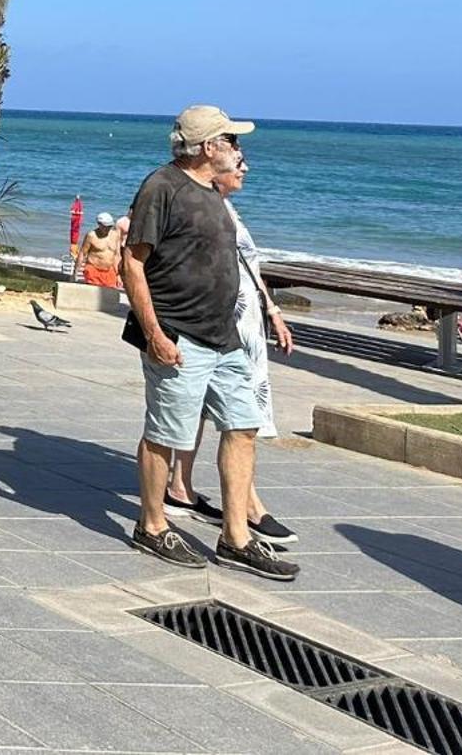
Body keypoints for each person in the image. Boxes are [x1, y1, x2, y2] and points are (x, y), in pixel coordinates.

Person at [123, 105, 294, 581]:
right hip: (178, 336)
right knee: (166, 433)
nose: (239, 149)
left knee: (242, 428)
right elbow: (132, 264)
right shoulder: (162, 188)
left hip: (226, 339)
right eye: (232, 140)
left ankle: (236, 537)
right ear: (208, 147)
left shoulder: (215, 192)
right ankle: (153, 526)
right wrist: (155, 334)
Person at [167, 151, 297, 545]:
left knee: (218, 410)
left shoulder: (225, 209)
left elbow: (248, 266)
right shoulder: (195, 204)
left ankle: (181, 486)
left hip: (240, 317)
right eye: (238, 160)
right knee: (234, 415)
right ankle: (246, 507)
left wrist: (272, 310)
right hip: (219, 321)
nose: (245, 167)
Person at [76, 213, 125, 288]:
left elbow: (117, 255)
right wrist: (76, 271)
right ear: (99, 224)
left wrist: (119, 275)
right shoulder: (91, 236)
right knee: (94, 294)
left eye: (110, 226)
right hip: (93, 270)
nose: (108, 228)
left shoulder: (115, 235)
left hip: (109, 271)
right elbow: (82, 253)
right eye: (106, 226)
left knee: (109, 295)